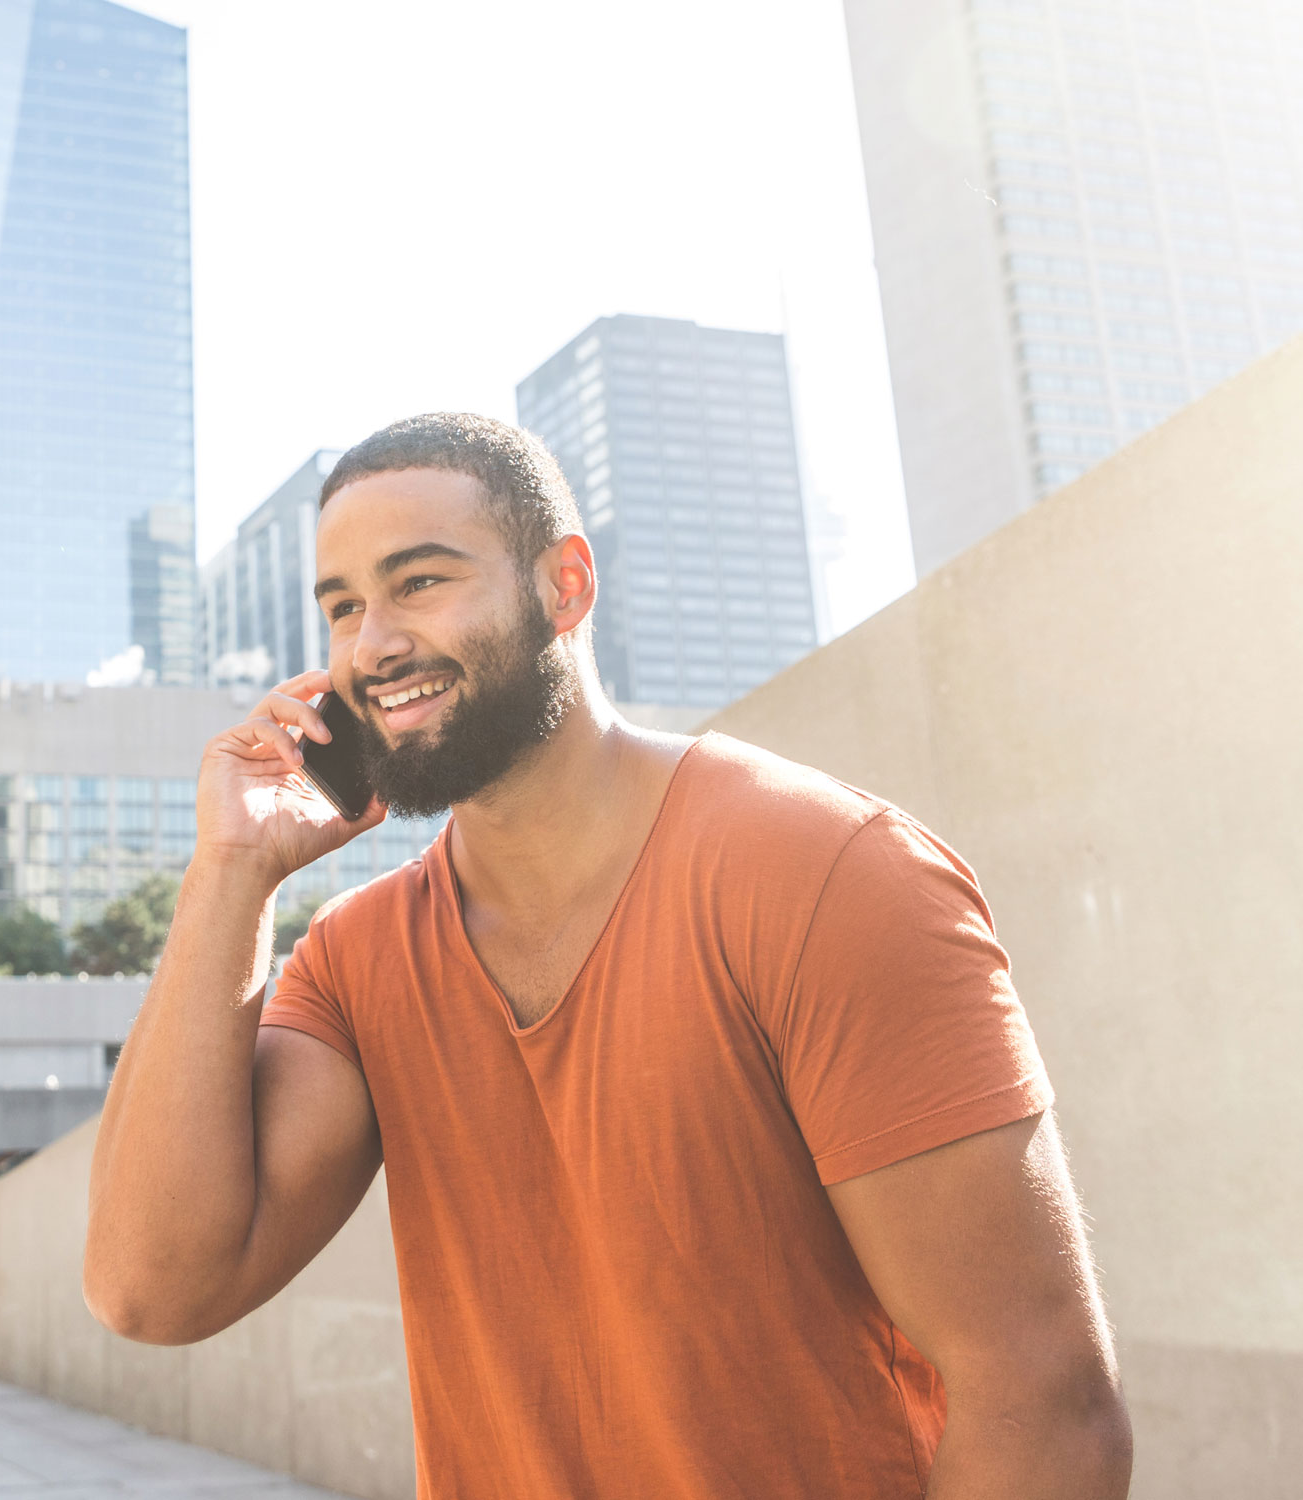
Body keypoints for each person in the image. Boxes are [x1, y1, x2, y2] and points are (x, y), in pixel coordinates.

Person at [86, 414, 1133, 1498]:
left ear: (566, 587)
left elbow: (1042, 1402)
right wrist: (232, 873)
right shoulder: (358, 961)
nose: (371, 646)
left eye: (420, 582)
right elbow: (152, 1291)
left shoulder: (827, 874)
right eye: (344, 605)